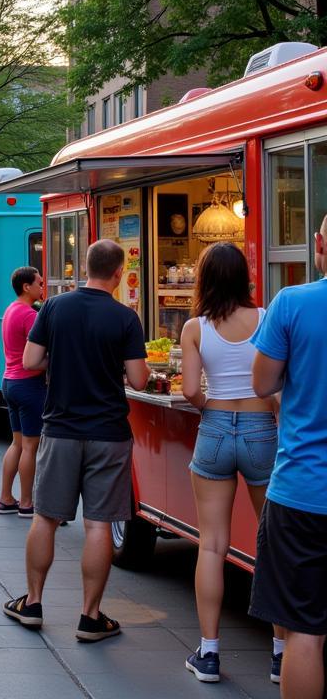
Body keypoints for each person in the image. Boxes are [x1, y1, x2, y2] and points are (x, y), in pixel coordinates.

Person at [3, 239, 148, 643]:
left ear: (85, 267)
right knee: (99, 523)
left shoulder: (52, 307)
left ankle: (32, 603)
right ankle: (90, 616)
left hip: (61, 429)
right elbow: (138, 379)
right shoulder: (125, 317)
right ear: (119, 273)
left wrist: (60, 358)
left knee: (45, 517)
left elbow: (30, 361)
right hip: (109, 434)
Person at [178, 242, 281, 685]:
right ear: (244, 276)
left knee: (212, 545)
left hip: (216, 429)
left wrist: (209, 405)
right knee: (272, 543)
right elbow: (276, 385)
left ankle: (210, 654)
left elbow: (187, 391)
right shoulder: (265, 318)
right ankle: (280, 654)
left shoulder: (195, 327)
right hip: (262, 430)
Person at [249, 213, 327, 699]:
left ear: (318, 244)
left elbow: (262, 384)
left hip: (303, 491)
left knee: (304, 632)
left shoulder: (292, 304)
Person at [0, 266, 45, 517]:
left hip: (9, 382)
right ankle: (27, 502)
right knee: (30, 446)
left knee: (16, 443)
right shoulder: (29, 315)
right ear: (26, 287)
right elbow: (37, 355)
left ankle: (6, 497)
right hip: (29, 384)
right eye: (39, 283)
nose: (42, 286)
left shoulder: (10, 310)